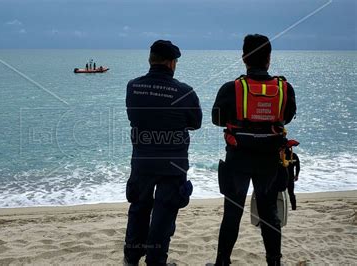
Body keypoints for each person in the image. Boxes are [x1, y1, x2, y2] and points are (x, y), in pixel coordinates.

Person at [211, 34, 297, 265]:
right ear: (268, 59)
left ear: (244, 59)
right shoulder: (284, 88)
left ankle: (222, 261)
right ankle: (274, 262)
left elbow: (216, 120)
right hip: (270, 160)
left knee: (233, 212)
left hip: (238, 158)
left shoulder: (231, 88)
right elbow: (286, 118)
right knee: (269, 212)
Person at [124, 40, 202, 265]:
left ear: (151, 60)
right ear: (171, 63)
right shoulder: (184, 91)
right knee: (164, 214)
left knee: (139, 208)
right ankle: (156, 260)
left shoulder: (133, 87)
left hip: (142, 160)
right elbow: (195, 123)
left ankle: (131, 258)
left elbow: (134, 117)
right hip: (173, 163)